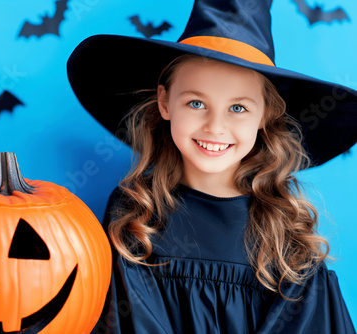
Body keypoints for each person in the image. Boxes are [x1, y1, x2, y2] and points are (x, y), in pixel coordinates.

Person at [67, 0, 357, 333]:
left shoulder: (285, 234)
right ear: (165, 102)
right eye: (196, 103)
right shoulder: (135, 216)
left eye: (238, 108)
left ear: (264, 115)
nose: (215, 127)